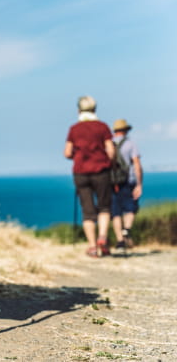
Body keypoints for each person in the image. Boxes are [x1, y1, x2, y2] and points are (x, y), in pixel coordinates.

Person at [64, 96, 115, 257]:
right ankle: (102, 238)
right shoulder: (102, 127)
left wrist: (78, 156)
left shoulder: (74, 129)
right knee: (104, 207)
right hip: (101, 171)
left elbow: (67, 152)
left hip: (81, 172)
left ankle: (92, 247)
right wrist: (107, 161)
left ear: (79, 110)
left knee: (87, 211)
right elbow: (111, 151)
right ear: (95, 109)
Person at [111, 119, 143, 251]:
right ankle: (127, 229)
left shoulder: (109, 144)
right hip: (128, 180)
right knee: (130, 208)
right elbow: (136, 164)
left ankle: (119, 241)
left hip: (112, 182)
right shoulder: (130, 144)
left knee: (115, 211)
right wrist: (139, 184)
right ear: (126, 130)